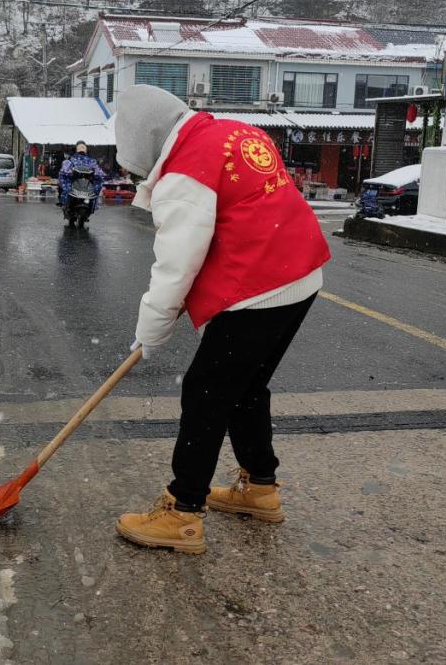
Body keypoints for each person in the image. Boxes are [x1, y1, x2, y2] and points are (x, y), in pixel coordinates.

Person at [112, 85, 330, 554]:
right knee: (245, 387)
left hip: (260, 284)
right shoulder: (231, 131)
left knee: (206, 391)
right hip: (301, 270)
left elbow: (175, 266)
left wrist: (151, 332)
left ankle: (183, 512)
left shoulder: (185, 174)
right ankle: (260, 487)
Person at [57, 140, 105, 210]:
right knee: (64, 180)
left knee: (99, 181)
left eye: (83, 147)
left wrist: (97, 173)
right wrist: (69, 171)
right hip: (74, 182)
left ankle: (93, 203)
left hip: (87, 183)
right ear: (76, 149)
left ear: (86, 149)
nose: (82, 148)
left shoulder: (92, 161)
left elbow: (98, 172)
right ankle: (65, 202)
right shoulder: (71, 159)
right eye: (80, 147)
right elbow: (64, 171)